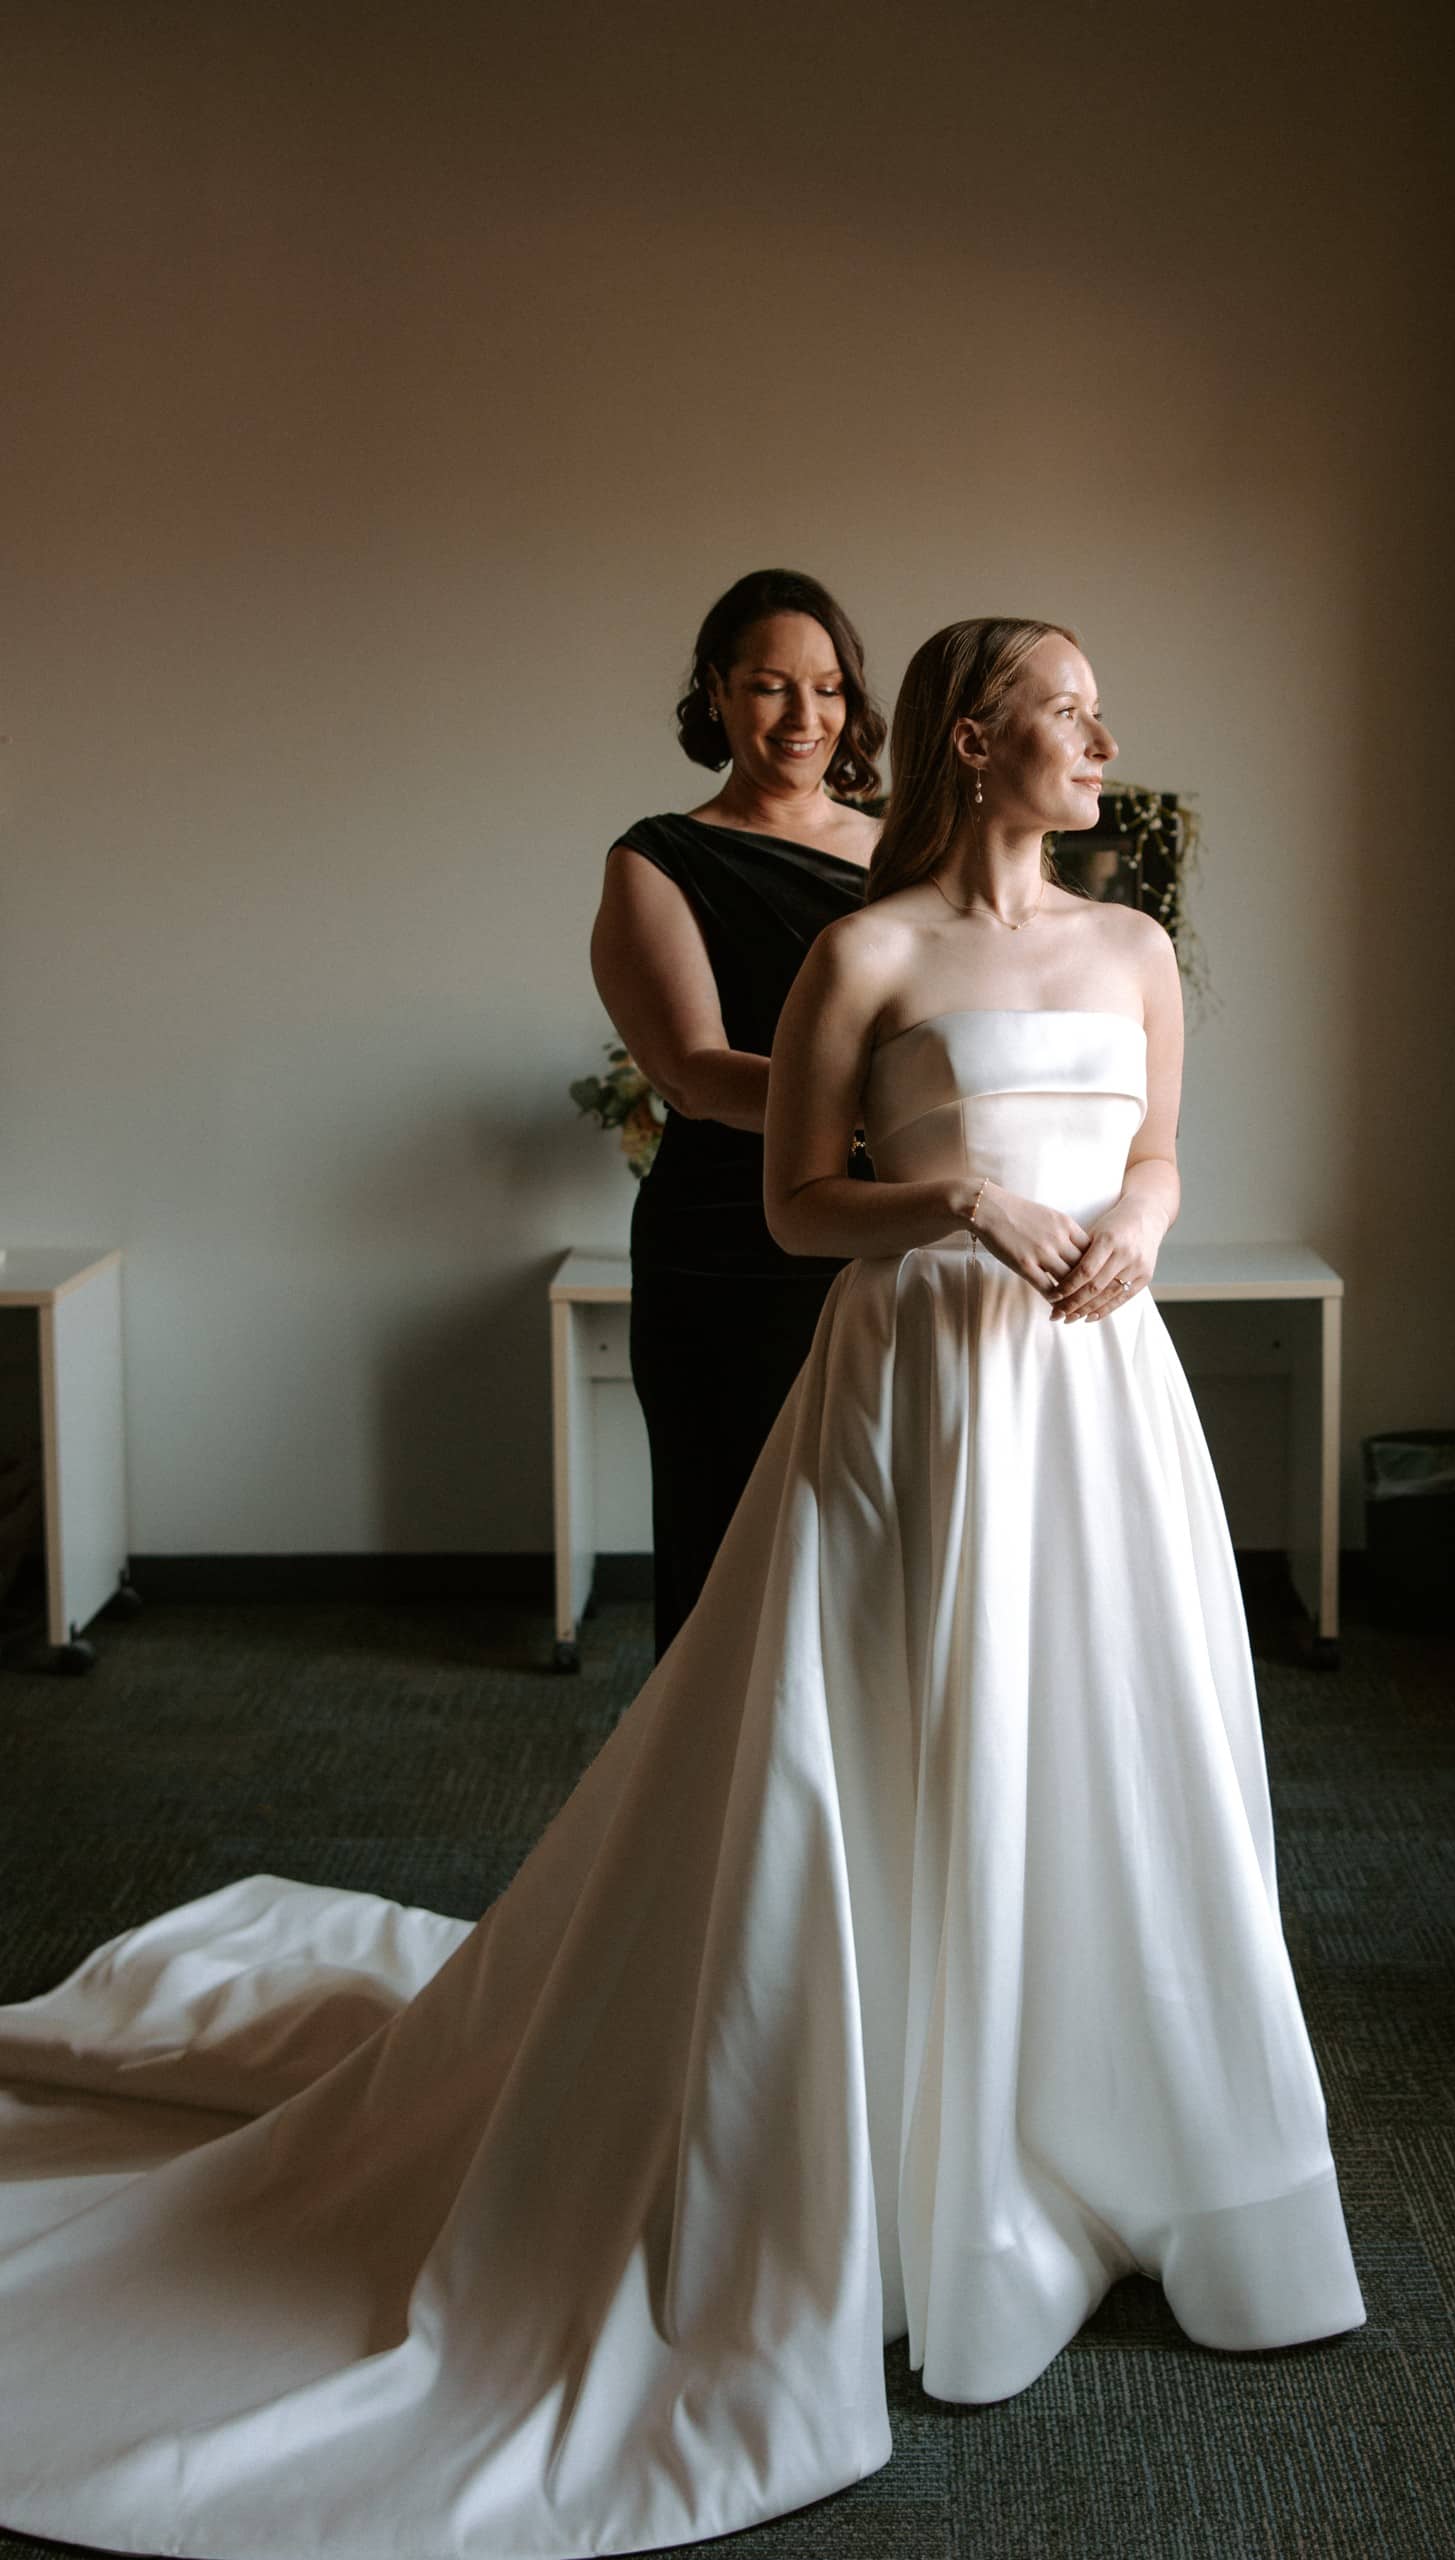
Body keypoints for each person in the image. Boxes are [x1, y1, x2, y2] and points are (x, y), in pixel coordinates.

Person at [0, 617, 1364, 2560]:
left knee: (1111, 1739)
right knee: (892, 1739)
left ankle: (1107, 2141)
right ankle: (901, 2167)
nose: (1105, 740)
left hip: (1092, 1398)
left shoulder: (1134, 946)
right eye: (1072, 710)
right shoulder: (862, 954)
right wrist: (962, 1196)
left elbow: (1154, 1154)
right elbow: (802, 1199)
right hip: (914, 1393)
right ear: (975, 740)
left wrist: (1134, 1222)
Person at [592, 567, 884, 1653]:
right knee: (733, 1578)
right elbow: (694, 1071)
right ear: (714, 693)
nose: (804, 717)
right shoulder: (658, 859)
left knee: (875, 1569)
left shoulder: (905, 855)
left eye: (828, 688)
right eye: (769, 686)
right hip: (728, 1253)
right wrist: (882, 1111)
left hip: (883, 1240)